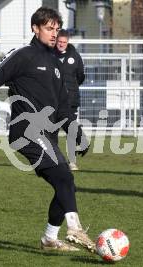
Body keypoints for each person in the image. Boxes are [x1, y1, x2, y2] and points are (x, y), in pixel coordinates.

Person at [0, 7, 94, 252]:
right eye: (48, 28)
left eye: (56, 29)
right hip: (27, 132)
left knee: (66, 184)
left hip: (47, 135)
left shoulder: (56, 64)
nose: (54, 34)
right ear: (35, 28)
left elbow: (63, 107)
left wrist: (76, 133)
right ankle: (75, 229)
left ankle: (50, 239)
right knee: (64, 177)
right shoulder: (22, 55)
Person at [54, 29, 85, 171]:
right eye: (59, 42)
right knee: (50, 131)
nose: (61, 44)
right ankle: (52, 160)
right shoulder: (49, 55)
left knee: (71, 130)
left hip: (70, 101)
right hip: (52, 100)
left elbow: (80, 76)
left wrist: (70, 89)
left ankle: (72, 161)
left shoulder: (75, 57)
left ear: (68, 42)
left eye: (64, 42)